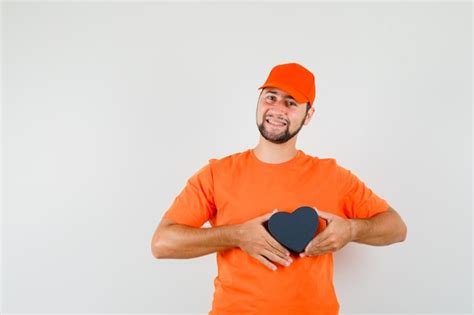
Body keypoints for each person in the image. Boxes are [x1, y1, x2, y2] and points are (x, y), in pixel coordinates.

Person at [151, 62, 407, 315]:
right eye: (271, 97)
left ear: (308, 116)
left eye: (291, 102)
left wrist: (351, 230)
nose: (277, 109)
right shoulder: (217, 174)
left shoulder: (333, 176)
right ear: (259, 102)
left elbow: (396, 227)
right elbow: (162, 243)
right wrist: (237, 235)